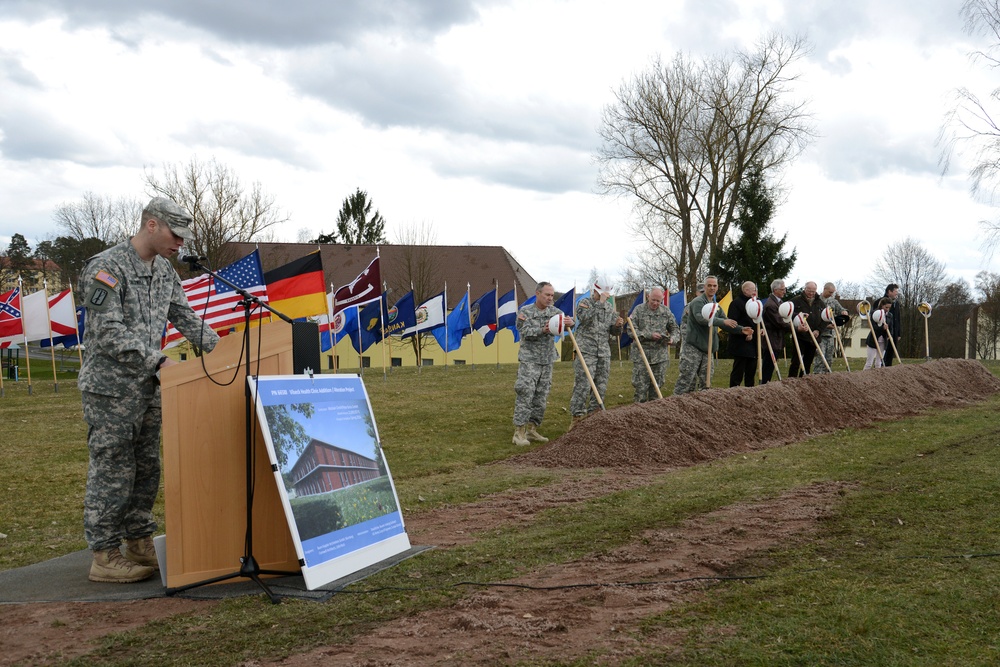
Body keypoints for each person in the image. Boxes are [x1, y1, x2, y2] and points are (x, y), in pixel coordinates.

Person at [79, 197, 220, 583]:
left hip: (151, 390)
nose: (181, 245)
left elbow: (185, 317)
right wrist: (158, 361)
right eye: (176, 236)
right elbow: (108, 332)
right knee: (113, 468)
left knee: (146, 468)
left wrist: (224, 351)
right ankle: (104, 553)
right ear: (152, 225)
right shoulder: (106, 268)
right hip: (111, 391)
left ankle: (138, 542)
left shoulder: (164, 272)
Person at [513, 282, 573, 445]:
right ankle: (519, 432)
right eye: (547, 295)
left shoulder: (555, 312)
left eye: (552, 295)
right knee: (526, 393)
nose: (550, 298)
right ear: (538, 294)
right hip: (529, 360)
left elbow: (567, 323)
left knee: (541, 397)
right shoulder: (525, 311)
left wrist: (570, 322)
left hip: (547, 360)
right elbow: (523, 331)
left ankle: (532, 429)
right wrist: (542, 330)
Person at [674, 276, 751, 395]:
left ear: (717, 287)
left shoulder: (716, 306)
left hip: (708, 348)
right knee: (687, 380)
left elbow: (726, 322)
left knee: (706, 382)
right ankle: (676, 405)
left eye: (714, 286)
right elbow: (701, 319)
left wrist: (741, 330)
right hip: (693, 347)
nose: (712, 288)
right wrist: (722, 322)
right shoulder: (697, 302)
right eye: (709, 285)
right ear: (704, 287)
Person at [569, 281, 623, 426]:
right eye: (602, 293)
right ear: (596, 291)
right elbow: (584, 318)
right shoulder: (584, 303)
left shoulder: (609, 307)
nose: (605, 296)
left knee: (601, 385)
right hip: (586, 350)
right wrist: (599, 303)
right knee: (583, 384)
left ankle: (594, 417)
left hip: (603, 352)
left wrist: (617, 326)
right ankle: (577, 418)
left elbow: (612, 331)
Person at [630, 287, 679, 402]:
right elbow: (630, 330)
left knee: (656, 391)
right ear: (648, 297)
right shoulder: (638, 310)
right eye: (653, 300)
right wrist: (648, 335)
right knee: (640, 390)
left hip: (659, 357)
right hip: (642, 356)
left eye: (658, 301)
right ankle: (638, 415)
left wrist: (672, 339)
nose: (655, 303)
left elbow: (675, 329)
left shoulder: (665, 311)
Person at [787, 281, 823, 378]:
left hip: (813, 337)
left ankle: (804, 380)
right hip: (800, 336)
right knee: (796, 360)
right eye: (809, 291)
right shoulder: (796, 301)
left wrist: (818, 330)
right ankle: (791, 380)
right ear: (805, 289)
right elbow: (787, 313)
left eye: (813, 291)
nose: (811, 293)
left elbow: (825, 319)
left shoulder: (820, 303)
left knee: (808, 362)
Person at [812, 282, 849, 374]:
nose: (831, 294)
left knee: (829, 358)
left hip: (830, 335)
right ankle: (817, 375)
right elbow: (814, 317)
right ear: (824, 289)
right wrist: (825, 325)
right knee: (821, 357)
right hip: (820, 334)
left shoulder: (833, 301)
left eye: (833, 292)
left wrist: (844, 312)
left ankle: (827, 377)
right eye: (830, 292)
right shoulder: (816, 301)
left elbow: (841, 309)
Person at [727, 281, 758, 387]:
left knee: (751, 372)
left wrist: (760, 330)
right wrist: (745, 333)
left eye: (755, 289)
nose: (755, 292)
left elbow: (758, 320)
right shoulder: (736, 303)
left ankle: (750, 393)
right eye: (753, 289)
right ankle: (734, 392)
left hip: (753, 344)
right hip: (740, 344)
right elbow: (732, 323)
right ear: (746, 290)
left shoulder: (755, 303)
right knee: (738, 372)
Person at [761, 279, 792, 384]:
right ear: (775, 290)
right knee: (768, 366)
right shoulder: (771, 305)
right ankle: (764, 385)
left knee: (771, 365)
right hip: (771, 340)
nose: (784, 292)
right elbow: (779, 322)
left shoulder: (779, 302)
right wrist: (795, 329)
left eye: (785, 289)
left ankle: (767, 383)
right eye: (782, 289)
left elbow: (786, 314)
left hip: (777, 339)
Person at [864, 297, 893, 369]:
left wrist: (890, 335)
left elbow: (891, 327)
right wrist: (882, 328)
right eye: (886, 307)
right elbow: (873, 327)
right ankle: (863, 377)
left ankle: (877, 378)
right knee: (869, 362)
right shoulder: (875, 313)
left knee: (878, 362)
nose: (887, 309)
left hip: (883, 341)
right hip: (873, 340)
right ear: (882, 305)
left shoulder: (889, 315)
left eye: (889, 308)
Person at [882, 283, 902, 366]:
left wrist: (899, 333)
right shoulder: (882, 302)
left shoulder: (896, 303)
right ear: (889, 291)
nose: (896, 293)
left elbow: (898, 318)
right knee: (884, 352)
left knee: (891, 352)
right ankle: (881, 368)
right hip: (886, 331)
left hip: (894, 331)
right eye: (895, 291)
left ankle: (888, 369)